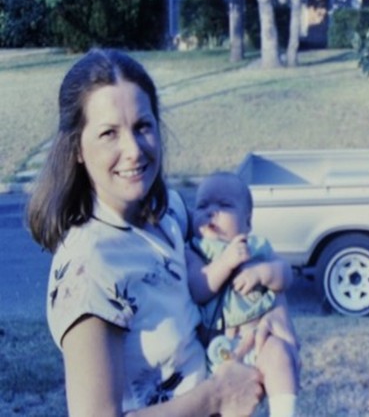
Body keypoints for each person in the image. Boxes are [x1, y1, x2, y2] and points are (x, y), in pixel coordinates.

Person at [26, 48, 298, 417]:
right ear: (77, 148)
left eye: (142, 126)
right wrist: (216, 397)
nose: (133, 150)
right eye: (109, 133)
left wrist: (273, 317)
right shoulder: (88, 269)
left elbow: (214, 289)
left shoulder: (169, 211)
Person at [187, 171, 298, 417]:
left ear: (247, 222)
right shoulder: (195, 251)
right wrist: (225, 262)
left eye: (224, 205)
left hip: (260, 338)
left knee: (280, 355)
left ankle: (284, 412)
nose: (211, 212)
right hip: (216, 351)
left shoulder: (257, 247)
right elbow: (198, 287)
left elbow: (286, 275)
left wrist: (264, 272)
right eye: (202, 205)